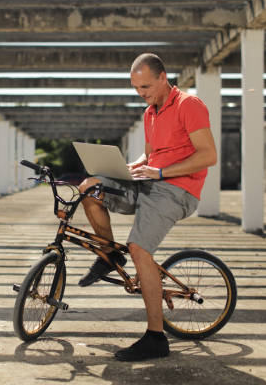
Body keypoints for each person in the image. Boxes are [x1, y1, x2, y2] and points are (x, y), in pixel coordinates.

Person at [77, 53, 217, 361]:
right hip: (149, 180)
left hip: (177, 190)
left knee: (139, 248)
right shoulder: (149, 112)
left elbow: (208, 155)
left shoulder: (189, 106)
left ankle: (156, 338)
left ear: (163, 77)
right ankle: (109, 252)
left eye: (146, 86)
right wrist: (129, 167)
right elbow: (151, 156)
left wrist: (161, 172)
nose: (142, 93)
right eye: (137, 88)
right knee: (90, 187)